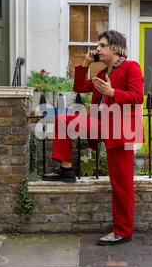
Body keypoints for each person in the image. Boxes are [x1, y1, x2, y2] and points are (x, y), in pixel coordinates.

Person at [42, 30, 144, 246]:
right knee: (63, 120)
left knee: (121, 183)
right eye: (97, 46)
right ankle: (66, 169)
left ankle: (123, 231)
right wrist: (86, 63)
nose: (97, 49)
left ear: (115, 48)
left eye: (102, 45)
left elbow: (137, 97)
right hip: (101, 124)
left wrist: (112, 92)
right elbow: (78, 87)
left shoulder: (130, 67)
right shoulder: (102, 72)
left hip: (120, 130)